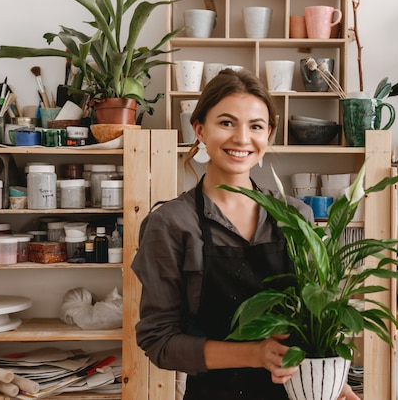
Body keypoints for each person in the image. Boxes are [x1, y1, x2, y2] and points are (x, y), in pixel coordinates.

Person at [132, 68, 360, 400]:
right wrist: (255, 354)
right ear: (199, 129)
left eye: (255, 126)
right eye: (226, 123)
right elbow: (159, 342)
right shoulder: (171, 224)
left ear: (268, 134)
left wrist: (334, 383)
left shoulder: (297, 216)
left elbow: (314, 319)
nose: (242, 138)